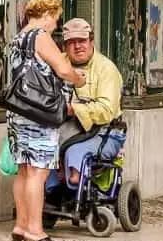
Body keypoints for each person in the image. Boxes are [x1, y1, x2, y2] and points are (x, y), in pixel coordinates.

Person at [7, 0, 86, 241]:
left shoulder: (17, 38)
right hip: (40, 112)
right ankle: (35, 231)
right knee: (38, 172)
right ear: (47, 14)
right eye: (56, 19)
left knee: (23, 169)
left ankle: (20, 226)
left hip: (18, 110)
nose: (55, 26)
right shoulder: (40, 36)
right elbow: (62, 69)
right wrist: (78, 79)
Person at [45, 18, 125, 196]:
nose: (78, 46)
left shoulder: (106, 69)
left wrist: (73, 109)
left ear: (91, 41)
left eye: (82, 41)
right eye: (71, 42)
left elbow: (106, 110)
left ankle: (73, 184)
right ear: (64, 46)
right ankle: (52, 192)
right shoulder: (58, 64)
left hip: (104, 131)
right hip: (64, 128)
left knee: (74, 153)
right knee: (42, 149)